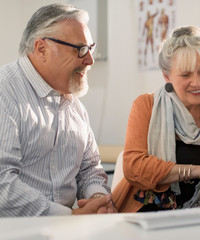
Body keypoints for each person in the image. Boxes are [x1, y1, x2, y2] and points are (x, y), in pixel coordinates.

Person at [0, 3, 117, 217]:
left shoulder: (74, 105)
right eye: (80, 49)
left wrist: (97, 200)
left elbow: (90, 169)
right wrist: (67, 217)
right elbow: (2, 184)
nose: (89, 60)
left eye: (90, 48)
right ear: (41, 48)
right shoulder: (5, 92)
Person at [112, 26, 200, 212]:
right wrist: (197, 170)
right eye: (186, 74)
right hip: (146, 213)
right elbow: (134, 168)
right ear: (167, 76)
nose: (196, 82)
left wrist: (196, 213)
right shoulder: (145, 106)